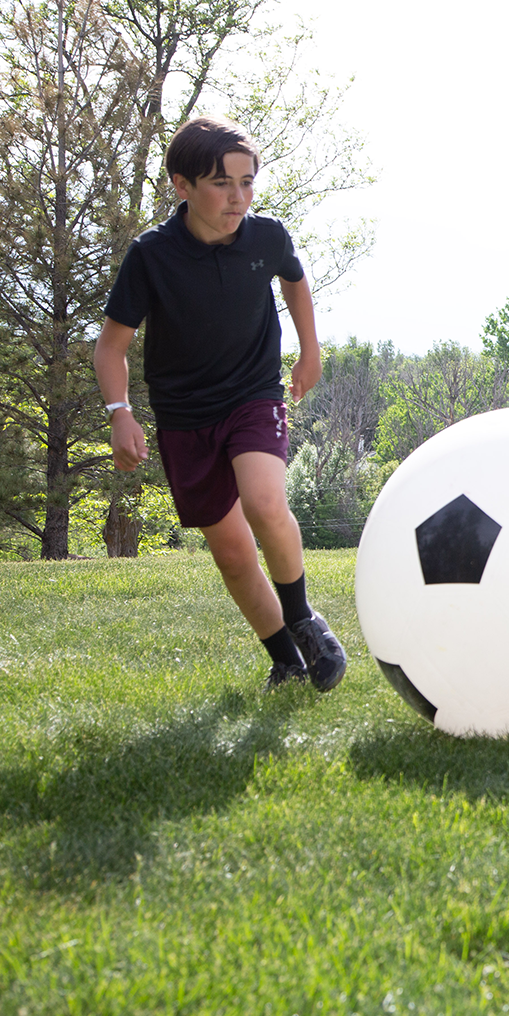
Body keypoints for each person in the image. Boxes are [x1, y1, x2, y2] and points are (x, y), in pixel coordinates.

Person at [93, 116, 347, 692]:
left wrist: (310, 350)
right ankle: (286, 659)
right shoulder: (151, 256)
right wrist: (121, 412)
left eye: (248, 183)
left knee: (262, 501)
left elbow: (295, 281)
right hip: (185, 417)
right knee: (232, 553)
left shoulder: (266, 235)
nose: (238, 198)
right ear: (182, 186)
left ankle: (304, 619)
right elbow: (111, 347)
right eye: (222, 184)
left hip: (254, 394)